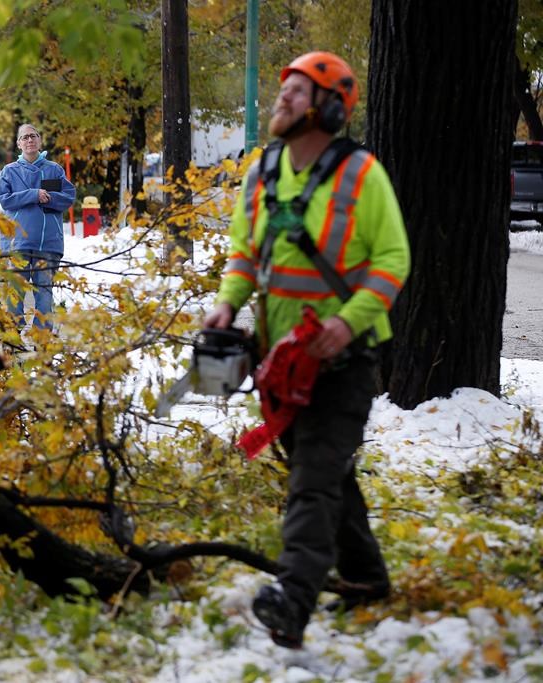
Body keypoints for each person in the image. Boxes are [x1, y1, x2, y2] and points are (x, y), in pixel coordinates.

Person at [202, 52, 411, 648]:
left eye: (296, 93)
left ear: (327, 107)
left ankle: (291, 603)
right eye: (283, 89)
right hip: (281, 360)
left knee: (312, 482)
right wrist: (226, 301)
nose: (281, 99)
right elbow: (245, 253)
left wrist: (348, 323)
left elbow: (393, 260)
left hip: (345, 362)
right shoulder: (263, 171)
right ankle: (367, 578)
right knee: (324, 474)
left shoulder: (360, 173)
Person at [0, 123, 76, 332]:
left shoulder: (54, 169)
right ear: (19, 144)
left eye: (34, 136)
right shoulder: (9, 171)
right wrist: (33, 194)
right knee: (15, 294)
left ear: (40, 140)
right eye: (25, 137)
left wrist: (46, 198)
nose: (30, 140)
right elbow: (5, 199)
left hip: (47, 244)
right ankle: (12, 340)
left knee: (44, 295)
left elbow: (68, 196)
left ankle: (43, 341)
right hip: (18, 243)